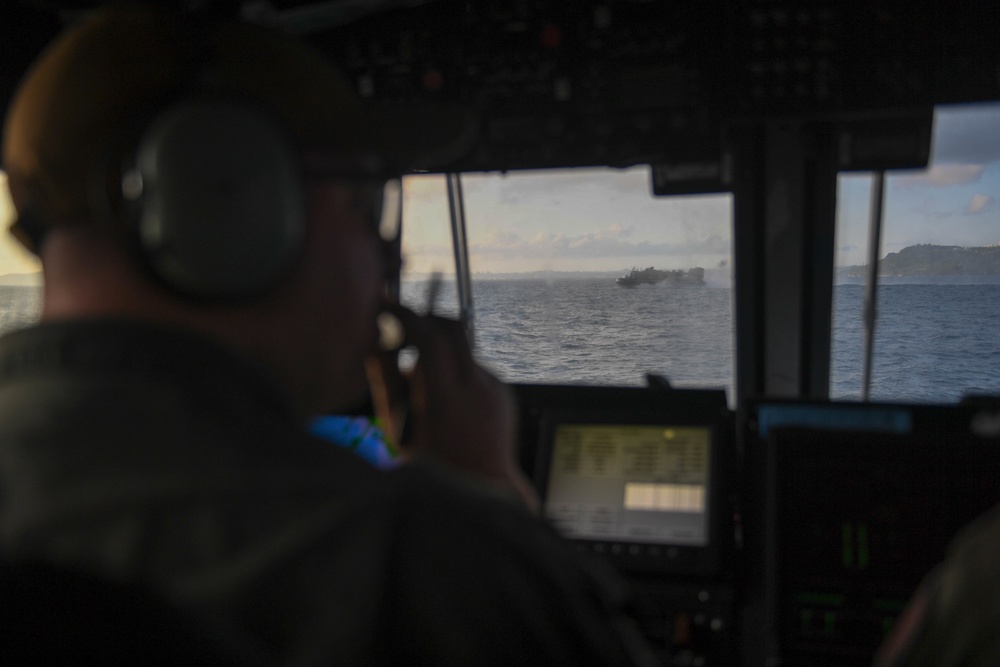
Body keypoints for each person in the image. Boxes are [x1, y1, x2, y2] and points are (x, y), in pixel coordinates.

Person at [0, 4, 656, 665]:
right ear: (227, 204)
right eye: (363, 203)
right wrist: (485, 495)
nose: (387, 256)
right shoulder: (408, 558)